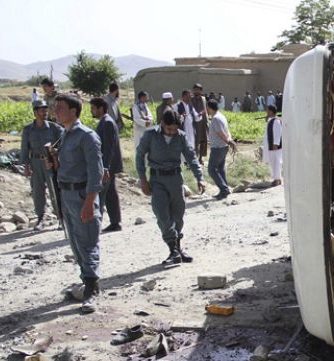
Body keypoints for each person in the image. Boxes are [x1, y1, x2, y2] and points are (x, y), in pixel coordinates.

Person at [48, 94, 103, 313]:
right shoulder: (65, 135)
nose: (56, 112)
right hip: (66, 194)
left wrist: (89, 202)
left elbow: (95, 172)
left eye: (60, 108)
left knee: (88, 241)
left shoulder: (87, 136)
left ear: (73, 111)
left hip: (82, 194)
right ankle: (86, 280)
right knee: (75, 243)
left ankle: (91, 289)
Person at [136, 110, 206, 268]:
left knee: (178, 215)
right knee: (162, 215)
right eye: (169, 129)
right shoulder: (150, 135)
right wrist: (143, 180)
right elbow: (139, 156)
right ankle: (173, 249)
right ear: (162, 123)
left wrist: (200, 177)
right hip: (157, 179)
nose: (172, 132)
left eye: (174, 129)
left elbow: (191, 157)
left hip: (175, 179)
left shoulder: (180, 136)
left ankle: (177, 250)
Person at [19, 100, 62, 230]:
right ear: (35, 112)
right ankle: (41, 218)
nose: (45, 113)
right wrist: (26, 166)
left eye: (46, 110)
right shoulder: (28, 130)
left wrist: (56, 157)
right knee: (38, 191)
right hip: (35, 163)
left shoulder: (54, 128)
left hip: (50, 162)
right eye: (42, 110)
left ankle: (61, 218)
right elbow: (24, 149)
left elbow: (63, 144)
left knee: (55, 190)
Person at [89, 97, 123, 232]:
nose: (91, 111)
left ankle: (96, 224)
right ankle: (115, 222)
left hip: (108, 166)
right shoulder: (104, 122)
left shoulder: (107, 123)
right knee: (109, 194)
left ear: (100, 108)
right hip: (108, 165)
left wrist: (105, 167)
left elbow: (108, 148)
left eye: (93, 108)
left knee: (101, 194)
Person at [206, 99, 237, 199]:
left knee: (211, 169)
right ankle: (224, 189)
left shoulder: (215, 119)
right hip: (222, 146)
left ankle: (224, 189)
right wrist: (230, 141)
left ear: (209, 108)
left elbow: (221, 133)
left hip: (218, 147)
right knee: (220, 168)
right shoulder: (221, 116)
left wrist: (229, 141)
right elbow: (226, 132)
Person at [262, 104, 283, 187]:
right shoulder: (272, 120)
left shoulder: (276, 121)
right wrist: (267, 119)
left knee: (276, 162)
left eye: (267, 110)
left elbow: (278, 133)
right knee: (272, 162)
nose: (266, 112)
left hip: (274, 146)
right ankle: (276, 178)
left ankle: (277, 179)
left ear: (270, 111)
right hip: (271, 146)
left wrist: (276, 144)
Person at [191, 83, 209, 164]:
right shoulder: (191, 99)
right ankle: (194, 158)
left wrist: (207, 121)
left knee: (203, 141)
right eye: (195, 89)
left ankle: (200, 158)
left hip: (203, 123)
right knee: (195, 141)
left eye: (198, 89)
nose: (196, 91)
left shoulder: (203, 99)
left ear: (201, 91)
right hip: (194, 124)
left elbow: (206, 110)